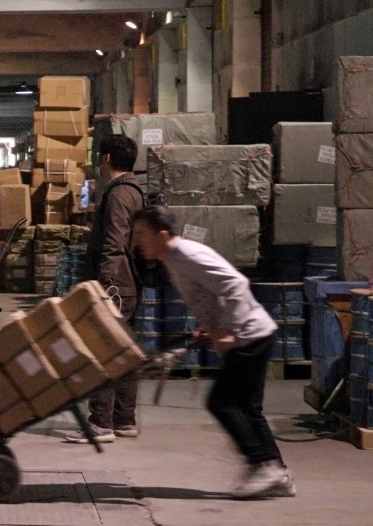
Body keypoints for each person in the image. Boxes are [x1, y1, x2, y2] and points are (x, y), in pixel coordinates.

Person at [131, 204, 295, 499]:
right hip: (255, 333)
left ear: (162, 234)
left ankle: (262, 465)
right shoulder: (173, 259)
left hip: (249, 336)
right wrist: (210, 327)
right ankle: (278, 473)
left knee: (222, 403)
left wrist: (232, 332)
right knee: (247, 408)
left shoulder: (186, 254)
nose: (137, 242)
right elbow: (209, 294)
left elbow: (235, 283)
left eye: (142, 234)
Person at [66, 134, 143, 444]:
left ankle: (101, 423)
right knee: (124, 353)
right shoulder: (134, 190)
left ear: (107, 158)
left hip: (116, 285)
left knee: (103, 352)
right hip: (128, 283)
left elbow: (114, 241)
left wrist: (103, 284)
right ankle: (124, 419)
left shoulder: (119, 194)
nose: (98, 161)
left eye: (99, 155)